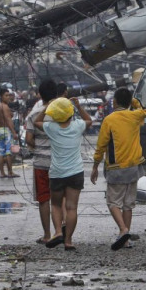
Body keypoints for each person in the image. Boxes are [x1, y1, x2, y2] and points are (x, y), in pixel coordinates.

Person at [91, 87, 146, 251]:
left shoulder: (109, 120)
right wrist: (133, 101)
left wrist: (95, 166)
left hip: (116, 167)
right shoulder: (136, 116)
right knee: (128, 205)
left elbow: (101, 145)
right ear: (129, 101)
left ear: (114, 101)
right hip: (133, 167)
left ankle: (123, 230)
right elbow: (145, 110)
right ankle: (125, 240)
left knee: (113, 202)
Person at [43, 97, 92, 251]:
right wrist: (78, 105)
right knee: (71, 208)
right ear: (71, 113)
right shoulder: (77, 126)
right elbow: (89, 120)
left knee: (56, 205)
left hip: (57, 173)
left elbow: (36, 122)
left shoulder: (50, 127)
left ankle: (58, 232)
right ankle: (68, 240)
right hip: (75, 172)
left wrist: (48, 107)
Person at [24, 79, 57, 244]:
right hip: (60, 162)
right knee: (60, 198)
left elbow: (28, 139)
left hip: (41, 163)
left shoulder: (33, 115)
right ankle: (61, 231)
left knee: (44, 199)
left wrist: (37, 146)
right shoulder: (62, 112)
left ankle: (47, 235)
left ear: (40, 95)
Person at [0, 88, 19, 178]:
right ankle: (10, 172)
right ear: (1, 96)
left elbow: (5, 116)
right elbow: (8, 120)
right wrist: (13, 132)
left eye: (9, 95)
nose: (8, 97)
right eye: (6, 95)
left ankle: (2, 173)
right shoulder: (5, 107)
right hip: (6, 130)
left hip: (0, 130)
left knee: (1, 152)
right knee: (8, 152)